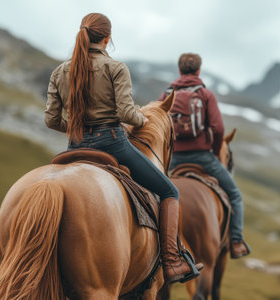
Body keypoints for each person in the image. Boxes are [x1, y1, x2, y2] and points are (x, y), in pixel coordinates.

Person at [44, 13, 202, 283]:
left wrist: (76, 128)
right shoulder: (115, 68)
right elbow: (127, 113)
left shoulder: (60, 71)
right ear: (107, 38)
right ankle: (172, 262)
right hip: (112, 144)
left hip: (74, 146)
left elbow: (52, 120)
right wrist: (143, 119)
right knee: (169, 190)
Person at [158, 53, 251, 258]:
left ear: (180, 70)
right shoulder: (205, 95)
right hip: (202, 156)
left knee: (153, 194)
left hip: (173, 159)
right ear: (199, 70)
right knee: (234, 194)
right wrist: (214, 149)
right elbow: (218, 129)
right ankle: (236, 242)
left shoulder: (166, 95)